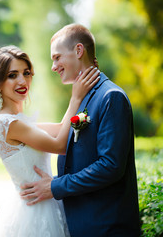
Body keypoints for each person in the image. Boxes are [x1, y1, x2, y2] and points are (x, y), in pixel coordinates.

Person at [20, 24, 141, 236]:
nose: (53, 66)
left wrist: (55, 186)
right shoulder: (84, 95)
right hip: (83, 225)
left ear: (78, 51)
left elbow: (110, 166)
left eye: (57, 57)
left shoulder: (110, 96)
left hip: (106, 227)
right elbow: (63, 135)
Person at [0, 45, 100, 236]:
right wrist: (75, 98)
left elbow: (61, 129)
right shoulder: (8, 123)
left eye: (26, 73)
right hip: (34, 211)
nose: (22, 80)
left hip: (43, 202)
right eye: (12, 75)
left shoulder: (19, 122)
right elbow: (60, 145)